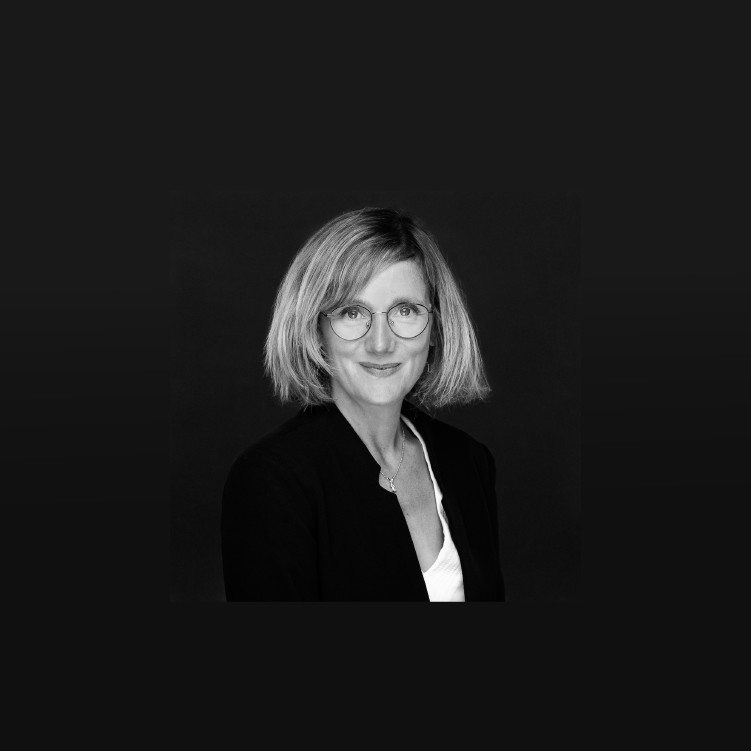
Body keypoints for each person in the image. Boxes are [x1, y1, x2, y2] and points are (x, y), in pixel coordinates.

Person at [221, 207, 504, 601]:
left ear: (436, 326)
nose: (381, 343)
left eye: (405, 310)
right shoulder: (272, 483)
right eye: (352, 312)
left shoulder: (468, 461)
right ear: (315, 330)